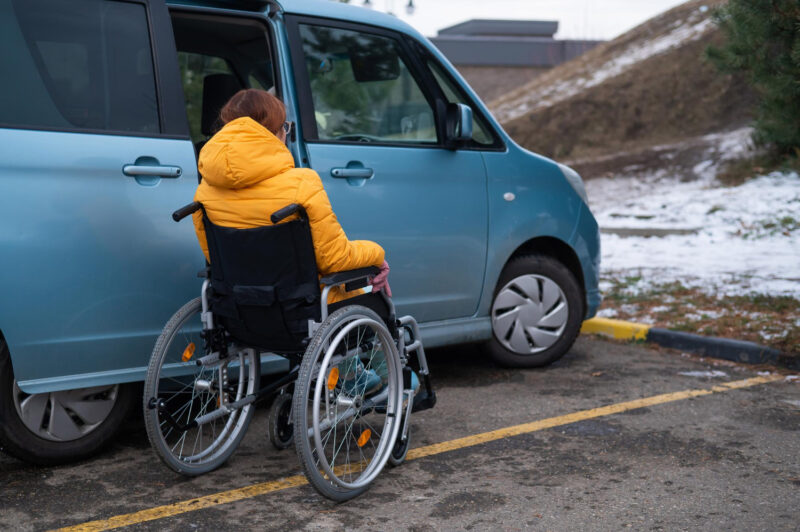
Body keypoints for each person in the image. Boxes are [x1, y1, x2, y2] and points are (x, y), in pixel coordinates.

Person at [192, 88, 392, 394]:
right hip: (298, 313)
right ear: (273, 133)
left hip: (238, 310)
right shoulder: (301, 182)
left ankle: (352, 375)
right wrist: (377, 254)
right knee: (369, 291)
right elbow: (333, 259)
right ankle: (367, 379)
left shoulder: (205, 190)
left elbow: (214, 257)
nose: (285, 134)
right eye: (284, 128)